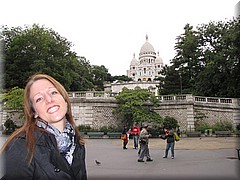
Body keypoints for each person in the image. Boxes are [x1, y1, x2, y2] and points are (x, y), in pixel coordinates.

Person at [0, 74, 87, 180]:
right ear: (34, 112)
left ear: (65, 100)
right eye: (39, 99)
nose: (49, 100)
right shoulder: (20, 146)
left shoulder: (76, 143)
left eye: (53, 92)